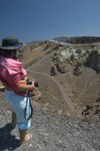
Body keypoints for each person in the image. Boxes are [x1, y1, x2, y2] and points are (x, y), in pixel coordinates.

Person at [0, 36, 36, 145]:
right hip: (17, 96)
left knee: (14, 107)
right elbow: (18, 87)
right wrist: (31, 87)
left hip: (9, 94)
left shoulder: (2, 61)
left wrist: (24, 79)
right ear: (12, 50)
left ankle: (13, 122)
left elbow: (12, 80)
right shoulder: (11, 67)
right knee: (24, 117)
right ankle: (22, 139)